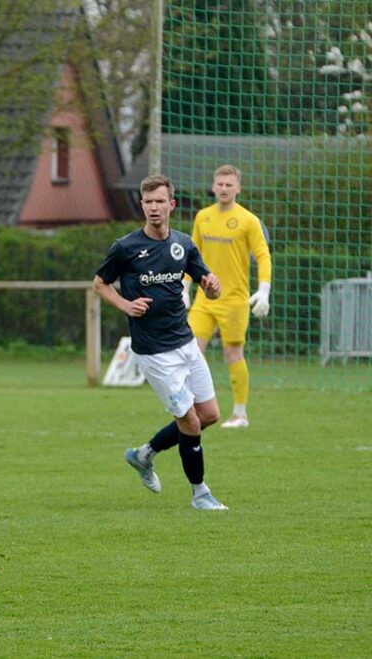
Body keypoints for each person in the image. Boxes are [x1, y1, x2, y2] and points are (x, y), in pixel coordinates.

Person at [93, 174, 229, 511]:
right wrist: (125, 304)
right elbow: (99, 283)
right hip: (154, 352)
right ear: (142, 205)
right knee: (191, 422)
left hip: (185, 343)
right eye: (148, 202)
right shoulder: (125, 247)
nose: (154, 208)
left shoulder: (183, 244)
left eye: (160, 201)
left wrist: (213, 287)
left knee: (209, 414)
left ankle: (144, 454)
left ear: (172, 204)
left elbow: (209, 284)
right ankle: (200, 494)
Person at [185, 164, 272, 429]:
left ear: (238, 188)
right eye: (220, 184)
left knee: (233, 353)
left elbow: (262, 254)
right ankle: (192, 411)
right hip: (204, 299)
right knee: (189, 352)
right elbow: (192, 255)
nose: (223, 189)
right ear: (213, 186)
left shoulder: (248, 220)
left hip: (234, 300)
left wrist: (264, 289)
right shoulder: (203, 217)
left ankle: (240, 414)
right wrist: (183, 286)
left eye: (229, 184)